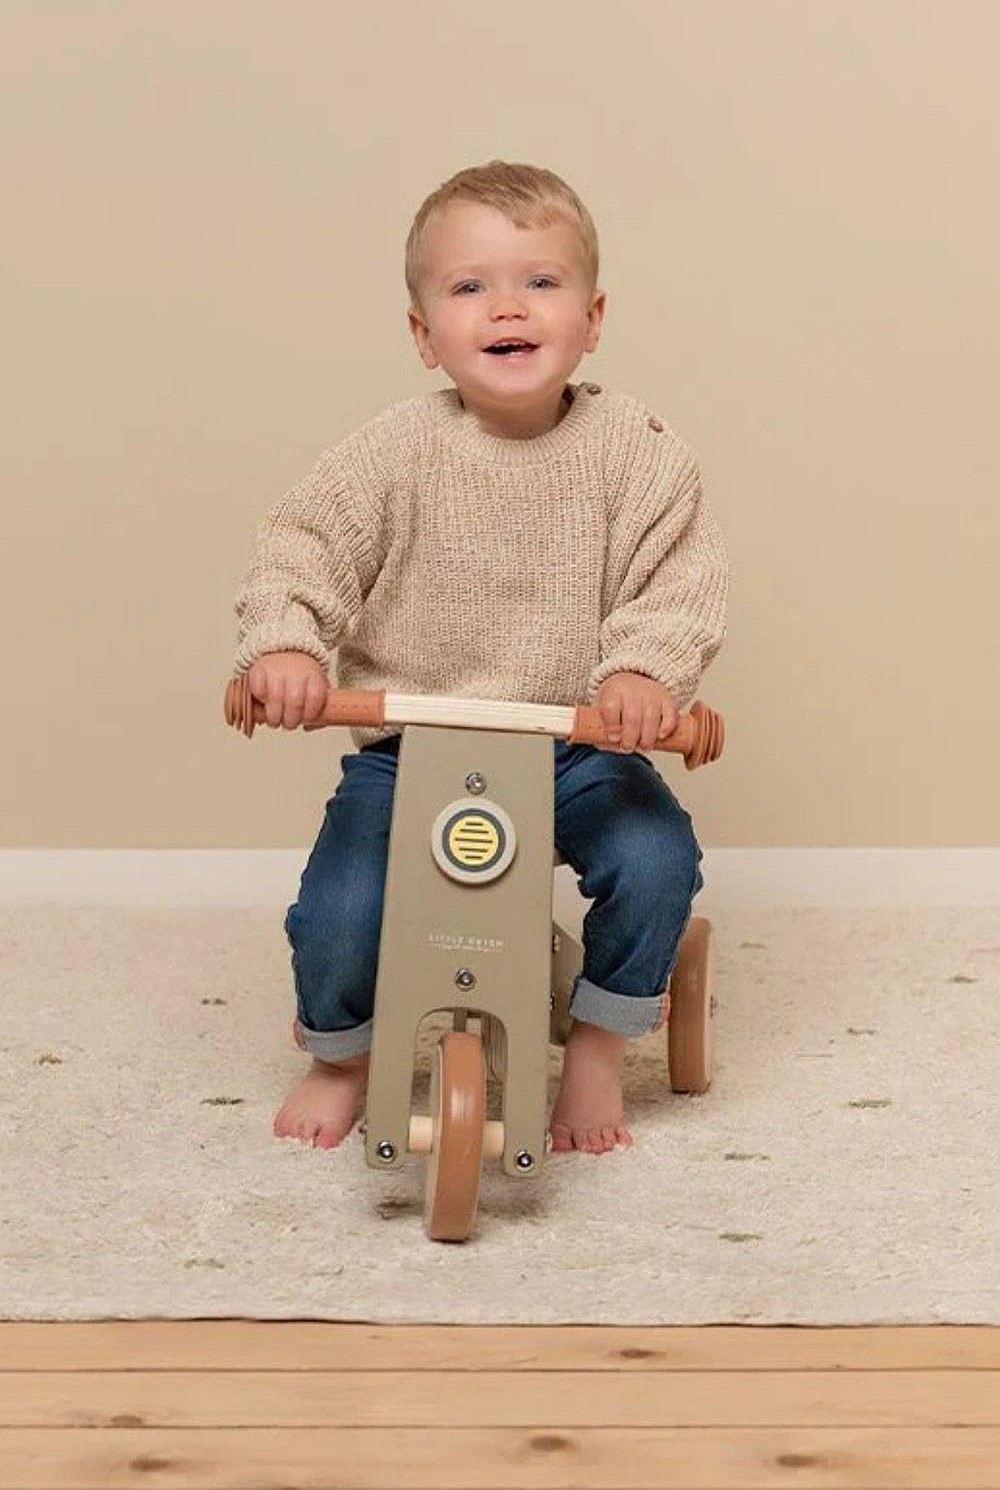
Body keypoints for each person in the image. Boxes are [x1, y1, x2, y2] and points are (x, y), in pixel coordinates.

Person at [233, 160, 728, 1155]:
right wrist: (286, 646)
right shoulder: (390, 452)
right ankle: (339, 1053)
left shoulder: (641, 451)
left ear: (591, 318)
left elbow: (675, 581)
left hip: (575, 743)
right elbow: (303, 547)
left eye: (538, 282)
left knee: (654, 853)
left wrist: (641, 674)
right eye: (469, 287)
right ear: (424, 333)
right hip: (413, 747)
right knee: (342, 901)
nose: (506, 305)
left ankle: (594, 1040)